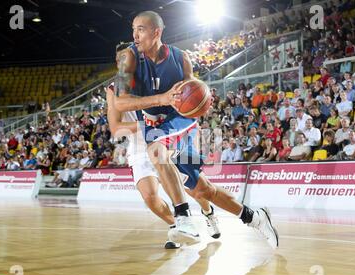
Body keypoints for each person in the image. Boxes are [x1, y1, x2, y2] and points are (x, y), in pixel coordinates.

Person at [113, 11, 279, 248]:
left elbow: (193, 94)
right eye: (133, 29)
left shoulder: (181, 58)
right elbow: (119, 102)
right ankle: (255, 218)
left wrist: (200, 96)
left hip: (181, 121)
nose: (134, 35)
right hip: (155, 127)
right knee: (202, 190)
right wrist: (162, 98)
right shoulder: (127, 57)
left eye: (141, 29)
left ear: (156, 32)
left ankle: (183, 218)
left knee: (156, 150)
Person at [107, 42, 219, 248]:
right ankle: (179, 227)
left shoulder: (154, 77)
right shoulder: (114, 89)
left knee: (196, 190)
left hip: (168, 137)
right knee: (150, 198)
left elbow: (183, 100)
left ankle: (208, 212)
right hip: (141, 145)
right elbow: (115, 128)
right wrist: (147, 125)